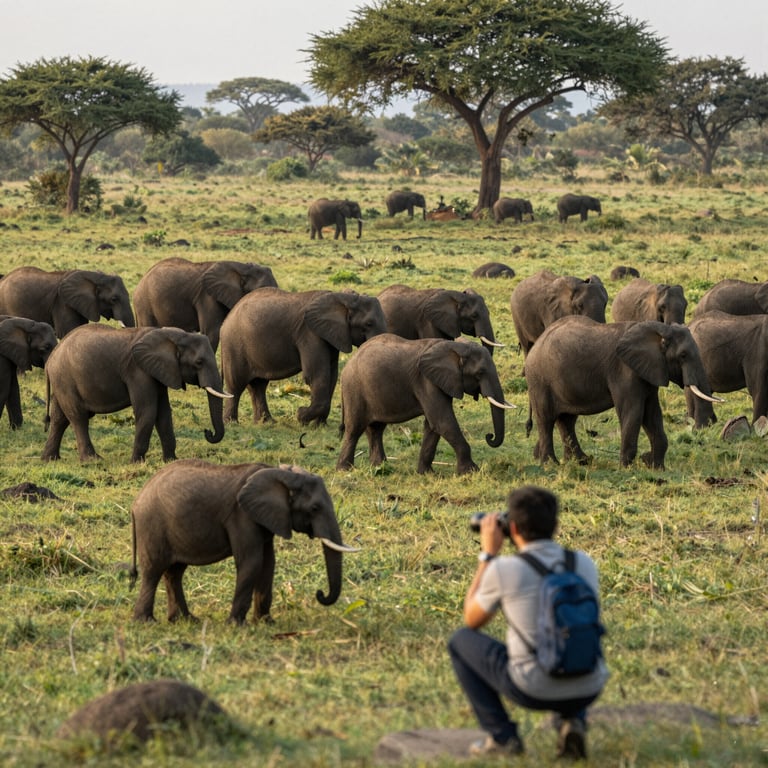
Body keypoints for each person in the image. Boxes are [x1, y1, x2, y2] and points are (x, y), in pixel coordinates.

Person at [448, 485, 608, 760]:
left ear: (513, 528)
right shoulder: (584, 562)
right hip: (590, 685)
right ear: (556, 525)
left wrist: (488, 555)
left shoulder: (504, 569)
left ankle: (502, 738)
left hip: (533, 687)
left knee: (460, 641)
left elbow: (471, 619)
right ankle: (573, 720)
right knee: (573, 635)